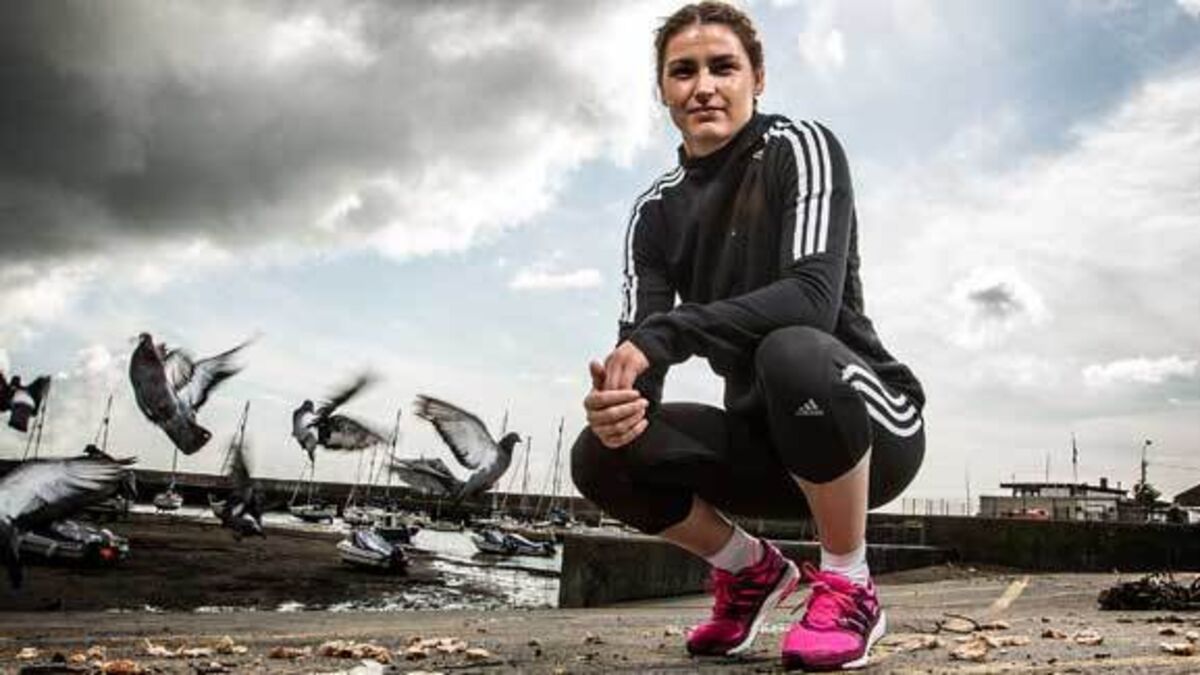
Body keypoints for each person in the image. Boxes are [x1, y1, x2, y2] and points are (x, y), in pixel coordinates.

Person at [570, 2, 926, 670]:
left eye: (723, 67)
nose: (703, 86)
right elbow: (642, 358)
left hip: (865, 425)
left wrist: (667, 333)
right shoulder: (655, 212)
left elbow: (812, 299)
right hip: (766, 445)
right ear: (662, 90)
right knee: (600, 454)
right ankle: (749, 570)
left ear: (756, 78)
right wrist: (621, 404)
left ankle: (849, 583)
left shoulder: (799, 147)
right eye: (683, 71)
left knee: (792, 350)